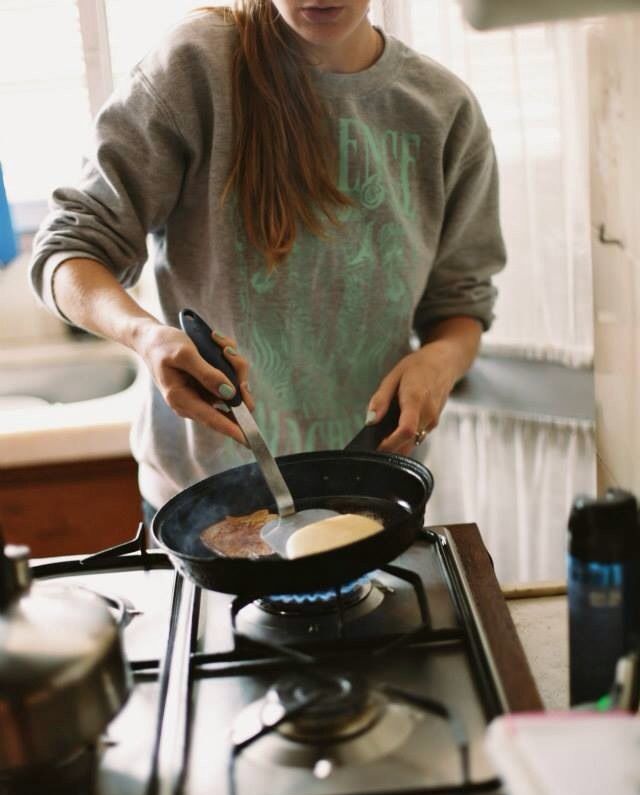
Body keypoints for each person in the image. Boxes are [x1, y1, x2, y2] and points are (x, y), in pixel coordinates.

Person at [30, 1, 506, 523]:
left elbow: (460, 306)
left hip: (372, 498)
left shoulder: (443, 110)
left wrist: (441, 360)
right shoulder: (197, 67)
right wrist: (146, 336)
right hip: (207, 506)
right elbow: (68, 250)